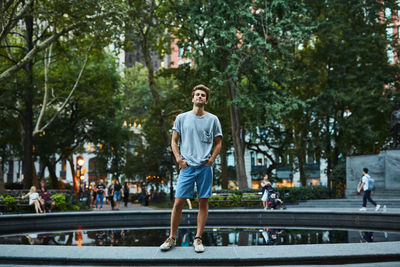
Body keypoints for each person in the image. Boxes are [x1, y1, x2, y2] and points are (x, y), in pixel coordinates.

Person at [159, 84, 223, 253]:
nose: (200, 97)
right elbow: (174, 141)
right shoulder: (181, 118)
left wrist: (211, 160)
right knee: (178, 202)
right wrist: (179, 159)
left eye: (203, 95)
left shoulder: (213, 119)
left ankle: (198, 239)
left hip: (205, 167)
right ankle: (172, 238)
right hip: (186, 167)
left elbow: (218, 142)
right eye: (197, 94)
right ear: (193, 98)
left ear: (206, 100)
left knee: (203, 202)